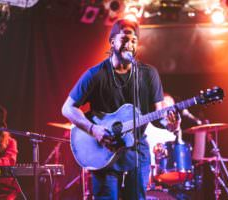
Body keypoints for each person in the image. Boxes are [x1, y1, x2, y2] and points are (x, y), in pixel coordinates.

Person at [62, 19, 180, 200]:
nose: (130, 45)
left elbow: (158, 116)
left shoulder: (149, 74)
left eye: (134, 41)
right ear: (112, 42)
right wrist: (93, 129)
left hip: (137, 151)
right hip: (104, 152)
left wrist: (169, 124)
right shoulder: (96, 74)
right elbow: (68, 108)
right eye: (125, 39)